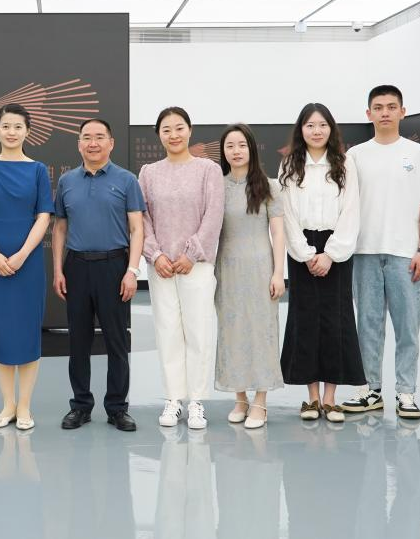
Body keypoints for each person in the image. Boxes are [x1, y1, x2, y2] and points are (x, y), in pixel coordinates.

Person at [342, 86, 420, 420]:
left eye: (391, 106)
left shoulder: (418, 154)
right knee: (367, 326)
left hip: (405, 254)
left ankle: (406, 393)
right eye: (378, 107)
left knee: (407, 327)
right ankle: (370, 391)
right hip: (364, 252)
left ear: (402, 111)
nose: (385, 112)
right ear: (368, 114)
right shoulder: (355, 155)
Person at [53, 118, 146, 432]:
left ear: (111, 142)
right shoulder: (67, 181)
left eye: (99, 137)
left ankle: (117, 408)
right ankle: (80, 406)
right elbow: (60, 228)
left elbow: (137, 229)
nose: (93, 143)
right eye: (86, 137)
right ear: (79, 143)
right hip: (76, 267)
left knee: (116, 341)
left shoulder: (127, 180)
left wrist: (132, 271)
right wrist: (58, 269)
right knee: (78, 341)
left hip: (114, 267)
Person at [0, 103, 54, 430]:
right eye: (6, 126)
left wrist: (22, 254)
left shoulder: (38, 170)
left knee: (28, 332)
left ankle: (26, 406)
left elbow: (44, 216)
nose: (12, 132)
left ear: (27, 131)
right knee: (0, 331)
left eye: (18, 126)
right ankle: (8, 405)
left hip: (28, 263)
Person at [277, 103, 364, 422]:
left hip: (336, 249)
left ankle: (330, 399)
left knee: (336, 321)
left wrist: (331, 253)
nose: (317, 131)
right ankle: (312, 398)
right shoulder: (290, 164)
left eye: (322, 125)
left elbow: (351, 210)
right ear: (301, 130)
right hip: (302, 249)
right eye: (310, 125)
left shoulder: (345, 163)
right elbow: (286, 213)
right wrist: (305, 253)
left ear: (331, 129)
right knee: (306, 321)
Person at [138, 107, 224, 430]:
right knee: (168, 332)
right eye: (166, 129)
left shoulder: (208, 170)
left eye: (179, 128)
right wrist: (155, 254)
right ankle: (173, 399)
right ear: (159, 135)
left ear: (190, 130)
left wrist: (192, 253)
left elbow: (213, 215)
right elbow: (142, 218)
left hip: (196, 266)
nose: (173, 135)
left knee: (199, 331)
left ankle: (197, 401)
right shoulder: (148, 173)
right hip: (161, 267)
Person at [214, 123, 286, 430]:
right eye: (230, 146)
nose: (236, 151)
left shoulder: (269, 186)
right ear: (223, 151)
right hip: (226, 269)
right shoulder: (216, 187)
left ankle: (261, 401)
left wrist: (278, 273)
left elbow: (278, 233)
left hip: (260, 268)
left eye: (242, 145)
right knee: (232, 331)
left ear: (252, 149)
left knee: (261, 332)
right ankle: (240, 398)